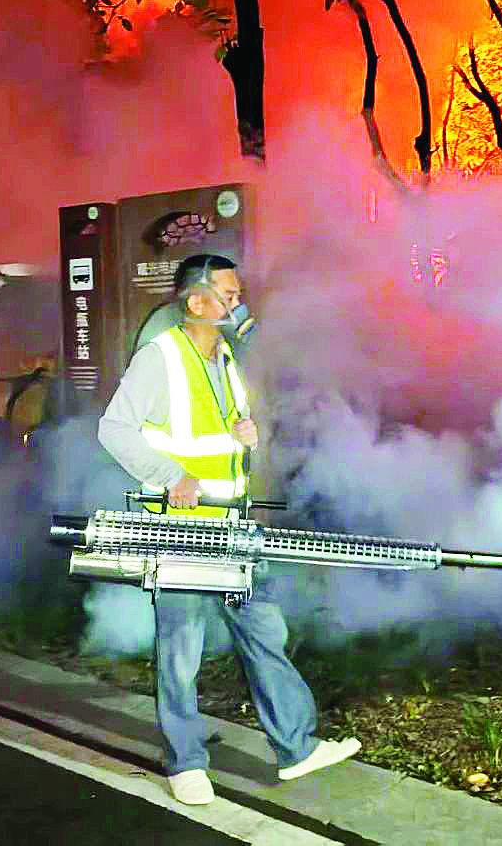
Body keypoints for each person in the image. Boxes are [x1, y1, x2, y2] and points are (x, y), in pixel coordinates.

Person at [97, 253, 360, 806]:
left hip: (234, 526)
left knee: (264, 632)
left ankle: (297, 747)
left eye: (239, 295)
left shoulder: (227, 359)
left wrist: (248, 434)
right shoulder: (160, 359)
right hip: (182, 530)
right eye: (228, 296)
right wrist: (169, 476)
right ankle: (185, 761)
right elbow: (114, 429)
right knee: (182, 645)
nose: (239, 304)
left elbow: (221, 436)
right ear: (196, 302)